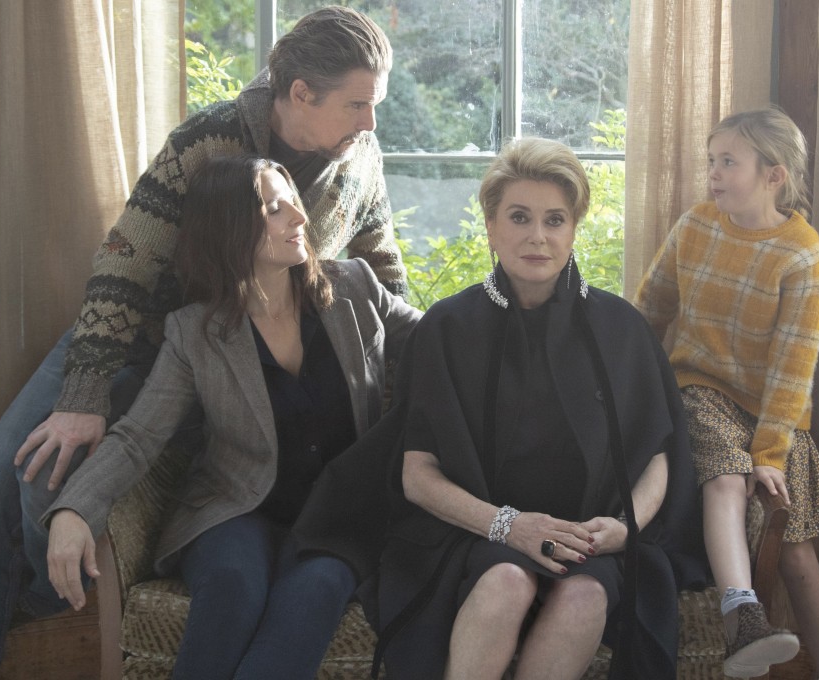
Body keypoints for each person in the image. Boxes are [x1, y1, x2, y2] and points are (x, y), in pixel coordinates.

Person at [0, 7, 406, 679]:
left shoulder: (358, 157)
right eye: (358, 104)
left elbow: (382, 271)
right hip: (138, 337)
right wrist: (85, 394)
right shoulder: (208, 140)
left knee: (59, 496)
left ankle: (35, 592)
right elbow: (126, 263)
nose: (370, 123)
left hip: (239, 356)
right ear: (301, 94)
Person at [296, 137, 706, 680]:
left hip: (592, 541)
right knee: (508, 583)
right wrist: (508, 526)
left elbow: (657, 451)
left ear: (572, 229)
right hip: (475, 533)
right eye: (519, 217)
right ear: (491, 227)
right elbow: (418, 477)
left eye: (555, 219)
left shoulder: (621, 328)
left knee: (585, 597)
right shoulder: (446, 329)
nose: (538, 236)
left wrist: (625, 529)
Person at [44, 154, 420, 679]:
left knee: (316, 592)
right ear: (228, 229)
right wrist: (74, 510)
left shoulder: (354, 289)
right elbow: (137, 437)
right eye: (274, 208)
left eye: (293, 202)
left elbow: (441, 342)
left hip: (342, 517)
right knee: (233, 585)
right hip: (235, 510)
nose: (299, 217)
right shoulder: (193, 332)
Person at [634, 107, 819, 680]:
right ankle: (741, 615)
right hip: (699, 391)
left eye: (729, 162)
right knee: (728, 476)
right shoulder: (696, 225)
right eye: (712, 161)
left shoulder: (802, 255)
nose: (714, 174)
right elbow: (649, 310)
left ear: (774, 175)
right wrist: (628, 386)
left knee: (797, 552)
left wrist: (771, 453)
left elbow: (793, 368)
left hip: (772, 416)